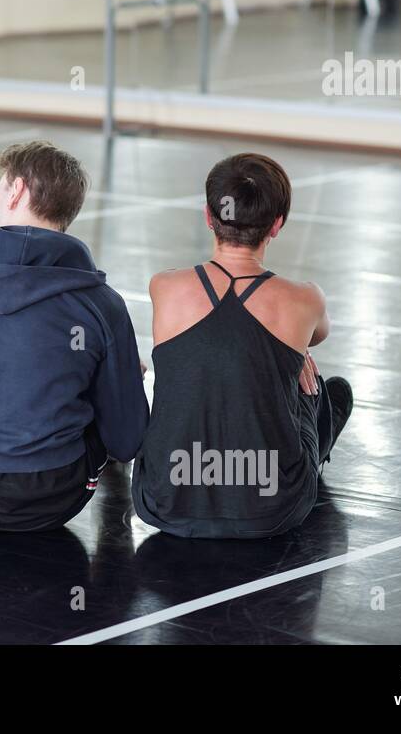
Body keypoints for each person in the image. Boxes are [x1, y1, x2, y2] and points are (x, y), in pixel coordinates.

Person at [0, 140, 149, 531]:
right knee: (102, 384)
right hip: (51, 497)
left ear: (17, 190)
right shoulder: (101, 302)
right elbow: (127, 442)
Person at [133, 152, 353, 538]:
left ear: (207, 216)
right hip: (273, 508)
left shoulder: (164, 287)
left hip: (164, 500)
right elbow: (317, 336)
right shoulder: (307, 299)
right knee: (323, 387)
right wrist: (294, 349)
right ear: (277, 225)